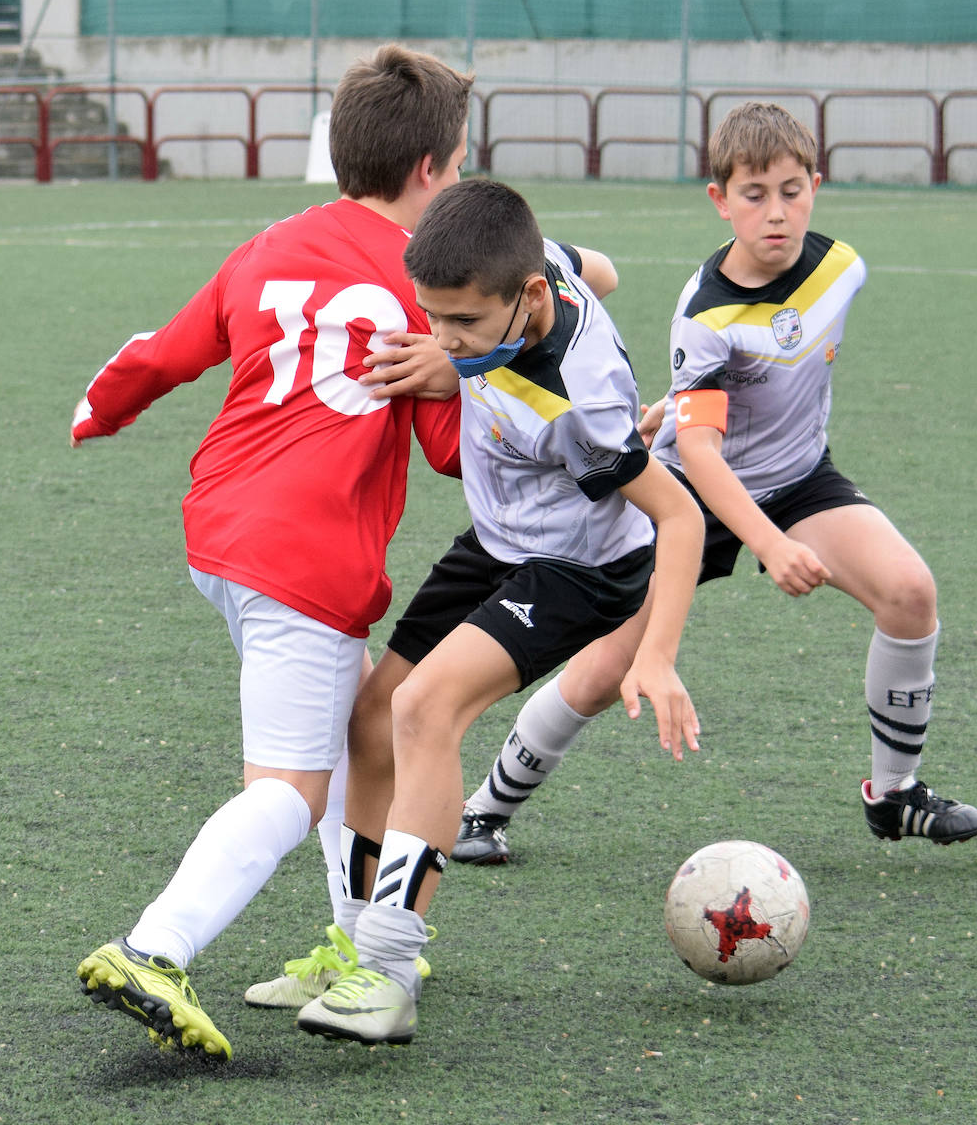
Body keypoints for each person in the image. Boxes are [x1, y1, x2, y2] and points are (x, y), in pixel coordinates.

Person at [452, 101, 977, 869]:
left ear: (816, 186)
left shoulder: (843, 268)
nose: (777, 212)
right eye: (754, 194)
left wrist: (684, 410)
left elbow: (768, 373)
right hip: (693, 495)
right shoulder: (706, 313)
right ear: (720, 199)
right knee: (608, 670)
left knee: (910, 592)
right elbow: (701, 452)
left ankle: (894, 794)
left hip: (800, 480)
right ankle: (485, 809)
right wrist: (767, 543)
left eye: (793, 189)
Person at [70, 43, 473, 1062]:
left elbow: (163, 352)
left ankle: (354, 939)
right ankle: (155, 944)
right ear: (429, 170)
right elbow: (450, 452)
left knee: (344, 745)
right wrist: (481, 375)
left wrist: (97, 409)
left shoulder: (269, 245)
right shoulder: (425, 282)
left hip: (221, 527)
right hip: (308, 557)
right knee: (291, 788)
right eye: (460, 165)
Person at [284, 177, 705, 1047]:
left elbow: (680, 516)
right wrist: (464, 351)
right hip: (501, 536)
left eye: (464, 324)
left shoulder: (581, 405)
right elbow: (605, 269)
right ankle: (353, 945)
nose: (444, 338)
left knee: (424, 707)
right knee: (370, 719)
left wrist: (655, 654)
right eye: (432, 317)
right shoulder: (528, 267)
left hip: (582, 568)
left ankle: (390, 973)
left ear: (530, 301)